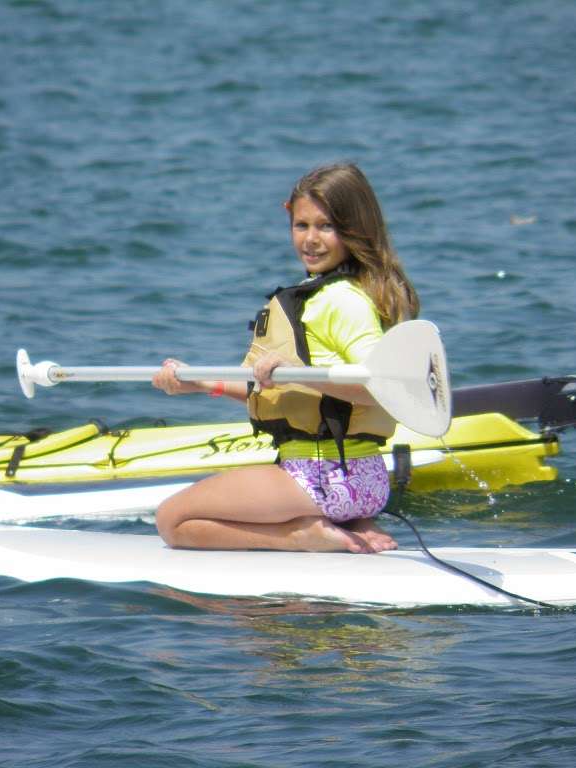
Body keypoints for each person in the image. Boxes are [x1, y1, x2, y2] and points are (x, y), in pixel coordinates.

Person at [152, 162, 419, 554]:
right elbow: (284, 395)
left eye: (325, 227)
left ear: (354, 228)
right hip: (364, 483)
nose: (311, 239)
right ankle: (345, 523)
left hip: (319, 477)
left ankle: (302, 535)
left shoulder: (342, 301)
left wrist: (298, 373)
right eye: (301, 225)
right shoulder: (334, 294)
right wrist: (202, 383)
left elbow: (382, 388)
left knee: (173, 520)